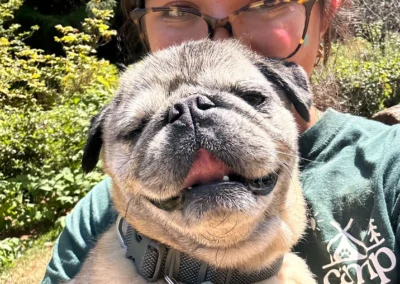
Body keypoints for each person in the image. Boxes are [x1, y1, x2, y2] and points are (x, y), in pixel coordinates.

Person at [42, 0, 400, 283]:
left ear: (326, 13)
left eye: (267, 1)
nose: (220, 39)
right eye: (176, 10)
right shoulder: (92, 219)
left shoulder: (388, 165)